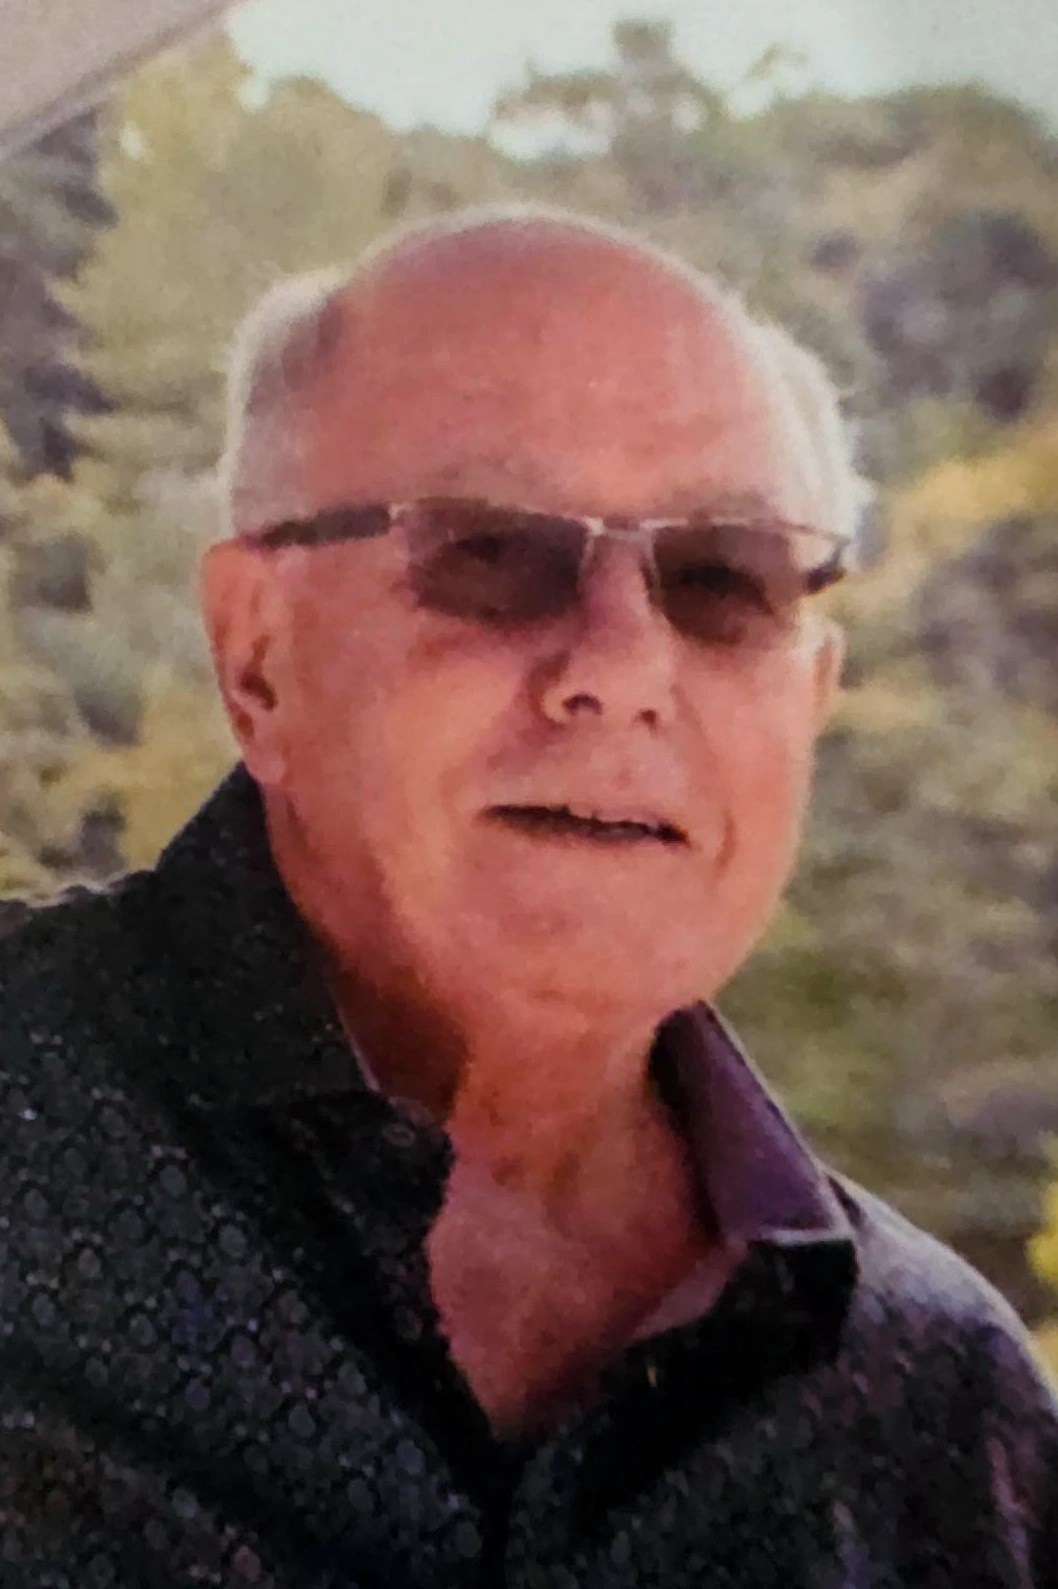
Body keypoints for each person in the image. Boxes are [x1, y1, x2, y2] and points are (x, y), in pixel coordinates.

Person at [0, 206, 1055, 1588]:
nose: (621, 665)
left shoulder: (940, 1407)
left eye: (720, 581)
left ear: (808, 700)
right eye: (491, 551)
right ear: (257, 659)